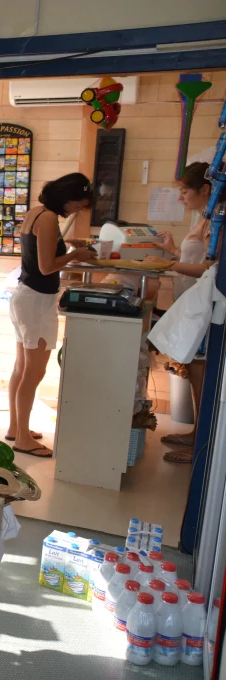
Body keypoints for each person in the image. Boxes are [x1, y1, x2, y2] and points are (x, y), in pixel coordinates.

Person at [7, 173, 97, 457]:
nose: (78, 211)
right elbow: (47, 266)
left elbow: (41, 248)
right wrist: (74, 255)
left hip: (26, 297)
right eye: (78, 205)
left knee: (22, 369)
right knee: (33, 372)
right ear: (66, 198)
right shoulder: (48, 219)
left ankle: (15, 427)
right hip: (36, 302)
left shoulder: (38, 213)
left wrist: (71, 244)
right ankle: (23, 438)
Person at [150, 162, 215, 464]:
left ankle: (202, 444)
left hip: (202, 314)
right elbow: (197, 259)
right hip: (190, 309)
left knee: (201, 379)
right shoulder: (204, 219)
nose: (180, 196)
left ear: (205, 190)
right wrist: (173, 251)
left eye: (184, 190)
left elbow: (210, 268)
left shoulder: (215, 223)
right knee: (192, 376)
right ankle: (196, 434)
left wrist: (167, 265)